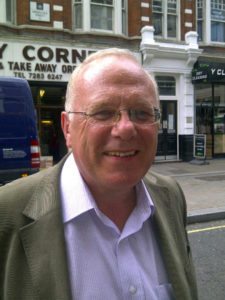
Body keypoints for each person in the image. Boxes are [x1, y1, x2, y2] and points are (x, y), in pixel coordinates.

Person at [0, 48, 198, 300]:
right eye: (103, 112)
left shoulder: (171, 195)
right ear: (67, 128)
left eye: (141, 113)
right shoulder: (6, 211)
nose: (125, 128)